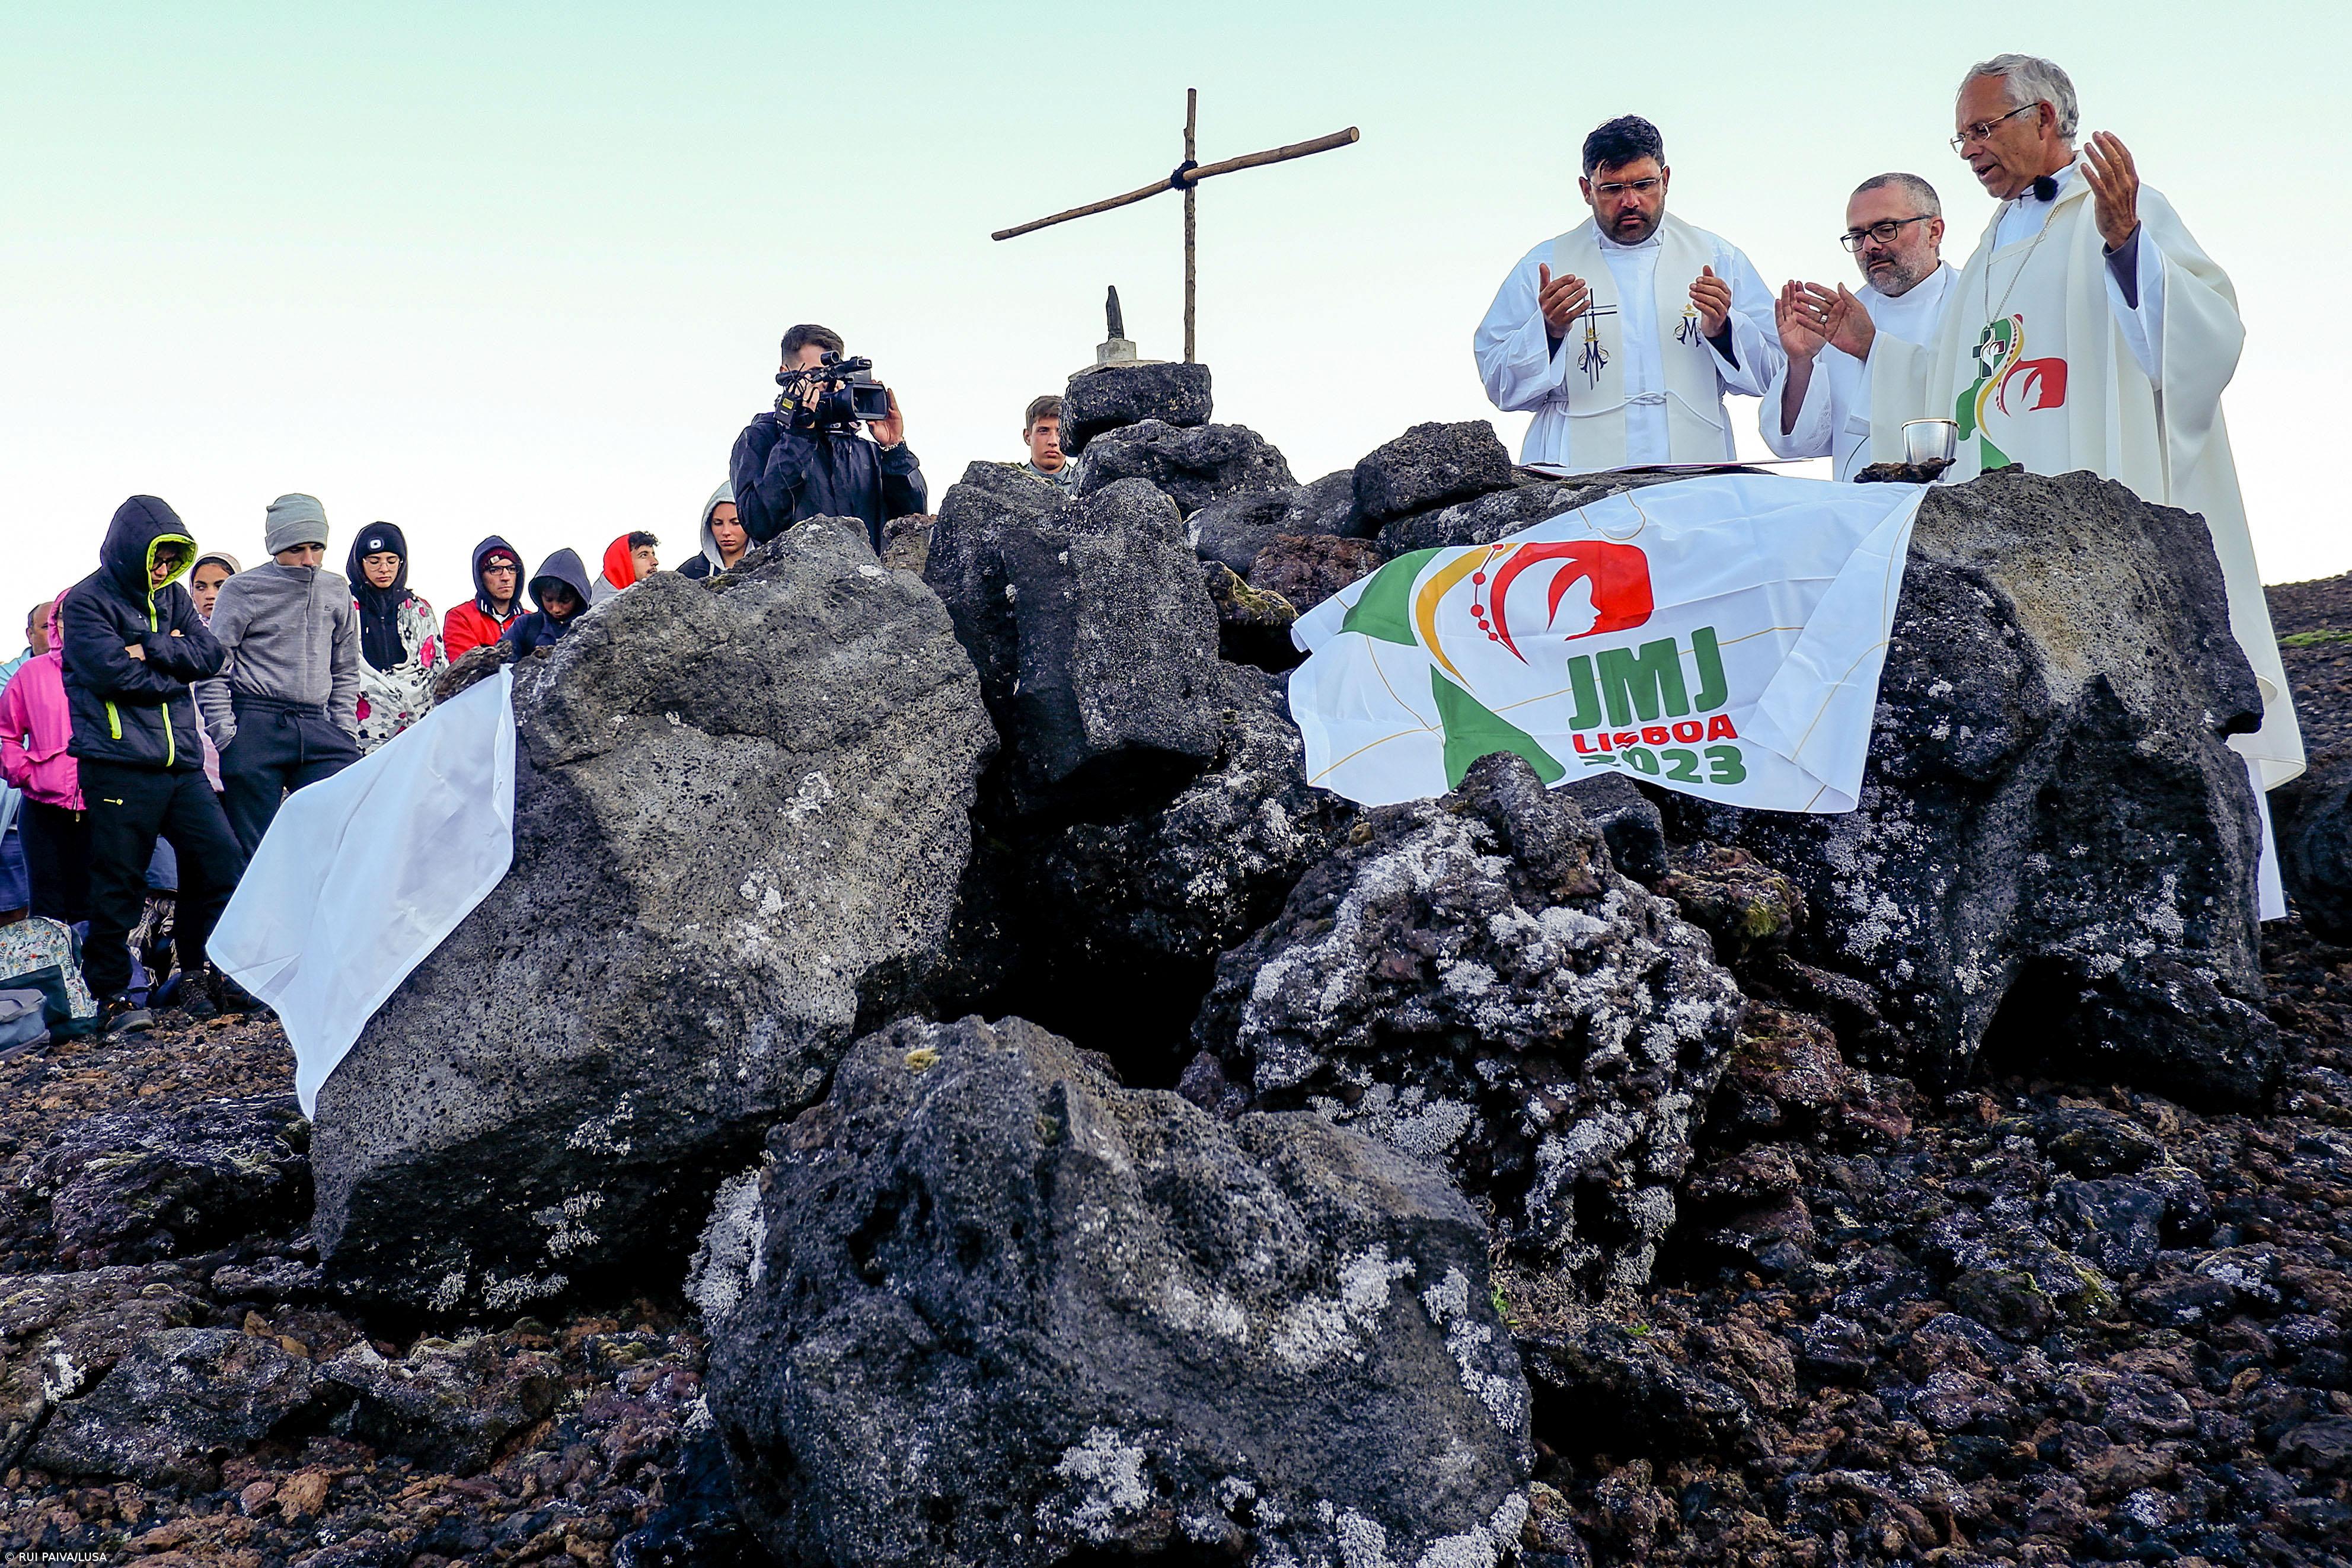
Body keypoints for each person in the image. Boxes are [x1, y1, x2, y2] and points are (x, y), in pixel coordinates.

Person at [1804, 52, 2301, 913]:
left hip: (2112, 518)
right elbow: (1956, 385)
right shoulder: (1995, 242)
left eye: (1980, 129)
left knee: (2165, 698)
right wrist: (1871, 349)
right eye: (1958, 136)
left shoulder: (2119, 210)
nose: (1966, 151)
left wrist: (2126, 248)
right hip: (2021, 532)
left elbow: (2200, 343)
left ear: (2043, 120)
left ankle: (2226, 912)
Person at [1474, 115, 1782, 471]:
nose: (1630, 201)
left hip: (1695, 469)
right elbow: (1499, 387)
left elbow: (1774, 374)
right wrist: (1548, 332)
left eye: (1644, 184)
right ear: (1586, 190)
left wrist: (1725, 332)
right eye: (1612, 188)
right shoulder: (1545, 266)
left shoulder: (1718, 259)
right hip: (1575, 468)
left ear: (1666, 180)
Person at [60, 496, 250, 1032]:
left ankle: (203, 972)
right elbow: (113, 676)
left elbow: (211, 655)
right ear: (129, 550)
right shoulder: (86, 602)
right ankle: (112, 997)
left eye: (171, 559)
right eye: (155, 558)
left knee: (221, 863)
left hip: (181, 763)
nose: (163, 569)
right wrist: (173, 659)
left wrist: (147, 644)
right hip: (118, 762)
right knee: (117, 882)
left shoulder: (170, 598)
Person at [1761, 174, 1954, 480]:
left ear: (1934, 232)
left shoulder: (1974, 304)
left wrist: (1873, 349)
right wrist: (1801, 362)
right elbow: (1794, 445)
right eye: (1858, 236)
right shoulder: (1838, 320)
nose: (1870, 246)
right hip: (1864, 512)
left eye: (1885, 229)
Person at [199, 494, 362, 856]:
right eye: (296, 549)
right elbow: (213, 668)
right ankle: (253, 914)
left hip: (319, 727)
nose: (308, 560)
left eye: (317, 547)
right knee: (254, 854)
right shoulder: (242, 589)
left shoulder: (337, 589)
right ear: (275, 546)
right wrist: (227, 736)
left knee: (340, 834)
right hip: (257, 722)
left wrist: (345, 731)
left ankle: (320, 912)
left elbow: (346, 667)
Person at [732, 324, 927, 554]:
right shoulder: (760, 439)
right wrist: (799, 436)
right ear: (786, 372)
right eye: (817, 374)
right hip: (795, 585)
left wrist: (894, 449)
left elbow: (913, 525)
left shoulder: (868, 452)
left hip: (867, 587)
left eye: (835, 375)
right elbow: (760, 522)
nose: (828, 384)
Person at [1, 594, 90, 925]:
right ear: (55, 623)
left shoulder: (111, 670)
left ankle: (96, 977)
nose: (72, 625)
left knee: (95, 910)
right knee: (46, 912)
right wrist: (21, 772)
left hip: (102, 806)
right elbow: (6, 732)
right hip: (43, 808)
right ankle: (51, 978)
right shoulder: (31, 673)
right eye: (65, 617)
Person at [347, 522, 441, 754]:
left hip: (418, 732)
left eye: (391, 561)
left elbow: (436, 671)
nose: (384, 569)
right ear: (360, 564)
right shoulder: (342, 606)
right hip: (355, 735)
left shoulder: (420, 610)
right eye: (374, 561)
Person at [441, 537, 527, 659]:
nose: (506, 577)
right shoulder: (460, 618)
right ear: (480, 577)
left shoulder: (534, 620)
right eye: (495, 570)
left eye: (512, 569)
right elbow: (467, 672)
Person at [501, 549, 593, 655]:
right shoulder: (526, 626)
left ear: (579, 597)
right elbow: (500, 664)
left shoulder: (594, 628)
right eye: (549, 600)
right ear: (540, 595)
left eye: (565, 601)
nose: (556, 609)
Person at [676, 484, 747, 580]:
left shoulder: (768, 565)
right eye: (718, 523)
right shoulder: (689, 573)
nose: (726, 532)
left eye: (735, 523)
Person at [1019, 395, 1074, 487]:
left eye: (1061, 432)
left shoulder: (1086, 487)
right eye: (1044, 431)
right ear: (1027, 436)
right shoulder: (1009, 483)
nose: (1053, 441)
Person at [591, 532, 660, 603]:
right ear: (623, 561)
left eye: (653, 555)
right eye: (644, 555)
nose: (655, 562)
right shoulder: (605, 608)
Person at [2, 602, 47, 688]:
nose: (56, 632)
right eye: (47, 627)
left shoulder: (78, 668)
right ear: (30, 634)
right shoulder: (7, 675)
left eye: (62, 626)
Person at [189, 553, 239, 621]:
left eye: (221, 587)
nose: (210, 596)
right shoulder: (180, 629)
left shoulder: (254, 628)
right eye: (200, 587)